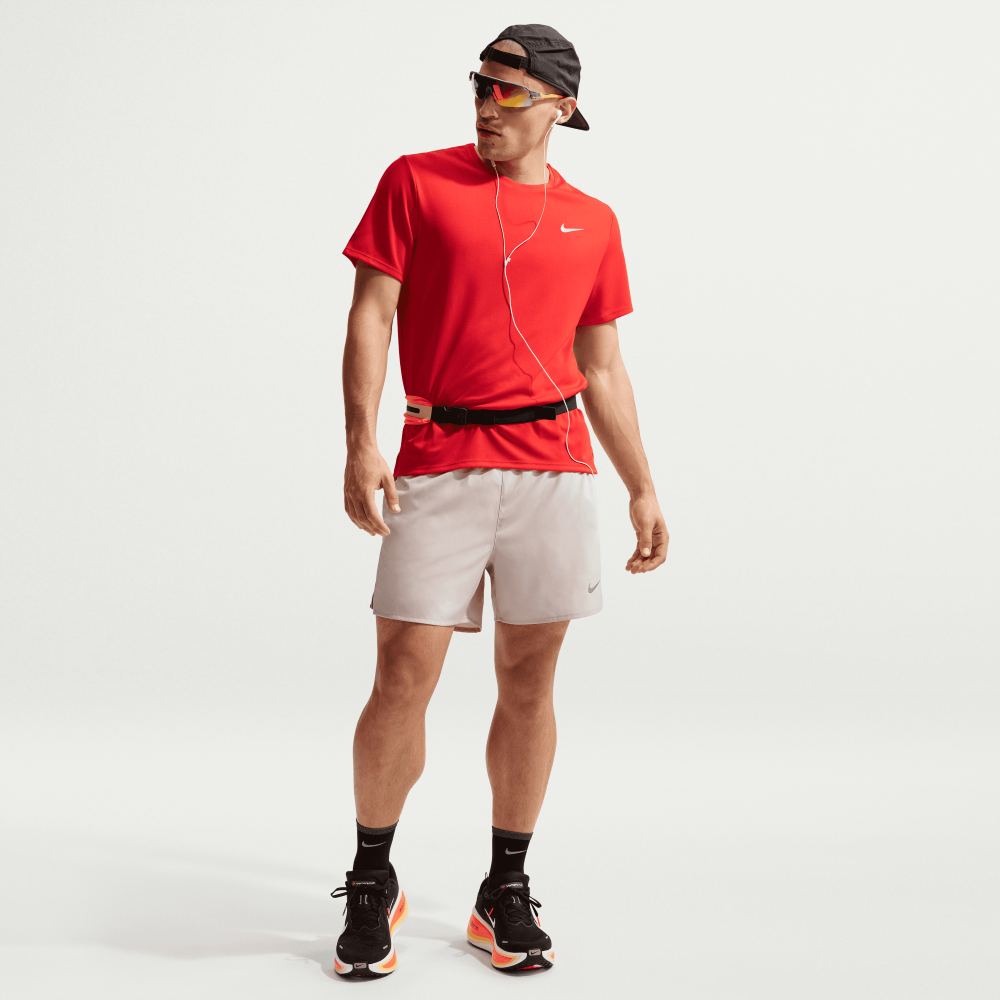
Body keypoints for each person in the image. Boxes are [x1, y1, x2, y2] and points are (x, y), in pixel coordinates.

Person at [331, 24, 668, 978]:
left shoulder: (593, 220)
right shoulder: (415, 181)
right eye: (481, 86)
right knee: (404, 673)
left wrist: (643, 484)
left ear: (562, 107)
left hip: (553, 466)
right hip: (438, 457)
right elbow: (371, 313)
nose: (488, 105)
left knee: (530, 679)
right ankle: (371, 878)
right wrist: (360, 441)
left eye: (511, 92)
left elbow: (603, 366)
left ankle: (503, 891)